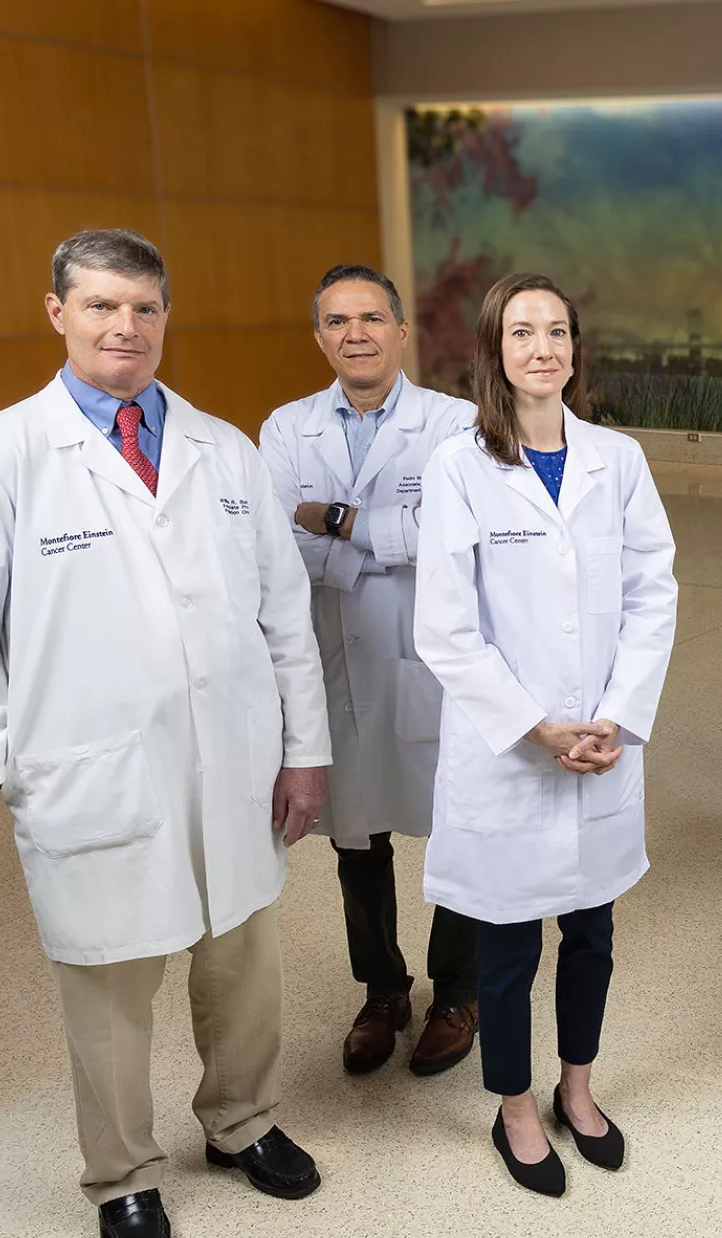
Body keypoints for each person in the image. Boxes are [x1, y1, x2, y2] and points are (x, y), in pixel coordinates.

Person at [0, 230, 330, 1238]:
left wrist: (304, 751)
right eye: (101, 305)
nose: (124, 327)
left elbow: (285, 617)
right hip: (90, 778)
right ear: (58, 312)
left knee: (243, 960)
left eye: (144, 307)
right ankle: (122, 1172)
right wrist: (20, 773)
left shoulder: (224, 451)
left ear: (165, 317)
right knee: (107, 987)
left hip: (233, 765)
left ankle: (242, 1119)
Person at [414, 273, 679, 1198]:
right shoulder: (459, 466)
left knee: (592, 931)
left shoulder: (619, 459)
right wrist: (533, 726)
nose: (543, 348)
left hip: (602, 742)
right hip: (509, 752)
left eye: (557, 331)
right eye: (522, 332)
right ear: (494, 349)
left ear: (575, 348)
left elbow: (653, 594)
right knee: (508, 946)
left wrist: (616, 717)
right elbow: (446, 628)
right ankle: (516, 1107)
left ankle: (578, 1088)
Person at [260, 265, 482, 1077]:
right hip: (334, 662)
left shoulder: (454, 422)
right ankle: (383, 990)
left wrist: (332, 521)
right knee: (356, 837)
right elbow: (274, 546)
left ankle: (458, 992)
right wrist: (379, 540)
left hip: (430, 661)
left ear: (400, 332)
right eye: (337, 321)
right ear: (320, 337)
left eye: (371, 318)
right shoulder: (286, 428)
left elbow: (450, 532)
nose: (355, 334)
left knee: (456, 827)